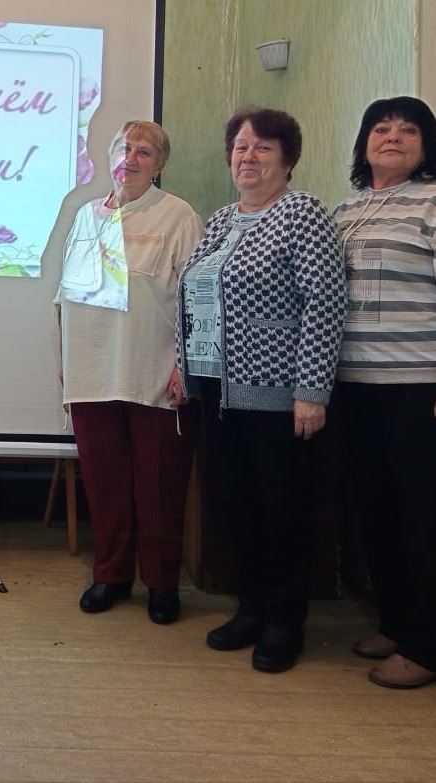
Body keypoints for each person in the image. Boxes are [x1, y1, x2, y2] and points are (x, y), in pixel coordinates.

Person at [176, 108, 346, 673]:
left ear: (287, 159)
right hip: (217, 393)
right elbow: (198, 297)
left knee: (284, 513)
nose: (248, 157)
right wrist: (183, 364)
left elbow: (325, 303)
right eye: (240, 147)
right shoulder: (223, 219)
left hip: (278, 396)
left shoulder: (302, 213)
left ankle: (284, 621)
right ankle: (250, 609)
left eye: (263, 147)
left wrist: (312, 389)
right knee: (237, 508)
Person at [56, 121, 204, 624]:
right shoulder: (86, 215)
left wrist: (187, 366)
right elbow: (67, 298)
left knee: (160, 485)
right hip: (93, 373)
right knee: (105, 483)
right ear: (109, 154)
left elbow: (197, 300)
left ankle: (162, 584)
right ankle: (111, 576)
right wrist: (67, 362)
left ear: (159, 165)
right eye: (124, 147)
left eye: (145, 152)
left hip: (155, 373)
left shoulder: (177, 215)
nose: (131, 158)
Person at [334, 96, 436, 689]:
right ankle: (397, 622)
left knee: (424, 518)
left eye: (408, 130)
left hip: (417, 386)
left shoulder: (432, 201)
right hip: (355, 385)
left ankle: (428, 645)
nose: (392, 137)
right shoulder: (347, 209)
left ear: (426, 145)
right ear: (365, 142)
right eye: (381, 127)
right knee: (376, 513)